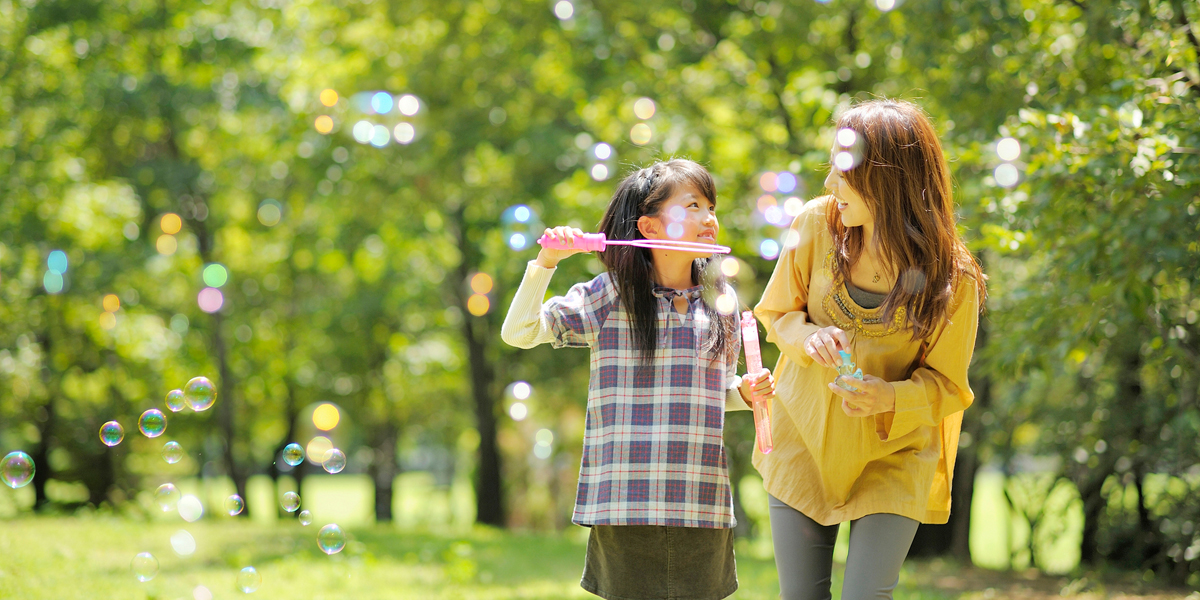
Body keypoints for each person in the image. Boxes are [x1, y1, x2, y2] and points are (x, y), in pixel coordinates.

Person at [502, 158, 776, 600]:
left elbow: (710, 392)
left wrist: (744, 392)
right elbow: (519, 332)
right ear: (648, 228)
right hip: (627, 501)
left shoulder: (719, 300)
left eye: (711, 206)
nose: (710, 218)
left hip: (699, 499)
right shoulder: (611, 294)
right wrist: (547, 260)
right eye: (692, 205)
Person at [752, 99, 986, 600]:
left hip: (893, 454)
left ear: (888, 179)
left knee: (865, 594)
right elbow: (775, 313)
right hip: (804, 439)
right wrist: (805, 336)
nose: (829, 187)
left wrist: (889, 397)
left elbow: (948, 386)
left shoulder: (955, 279)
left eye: (843, 173)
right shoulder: (815, 224)